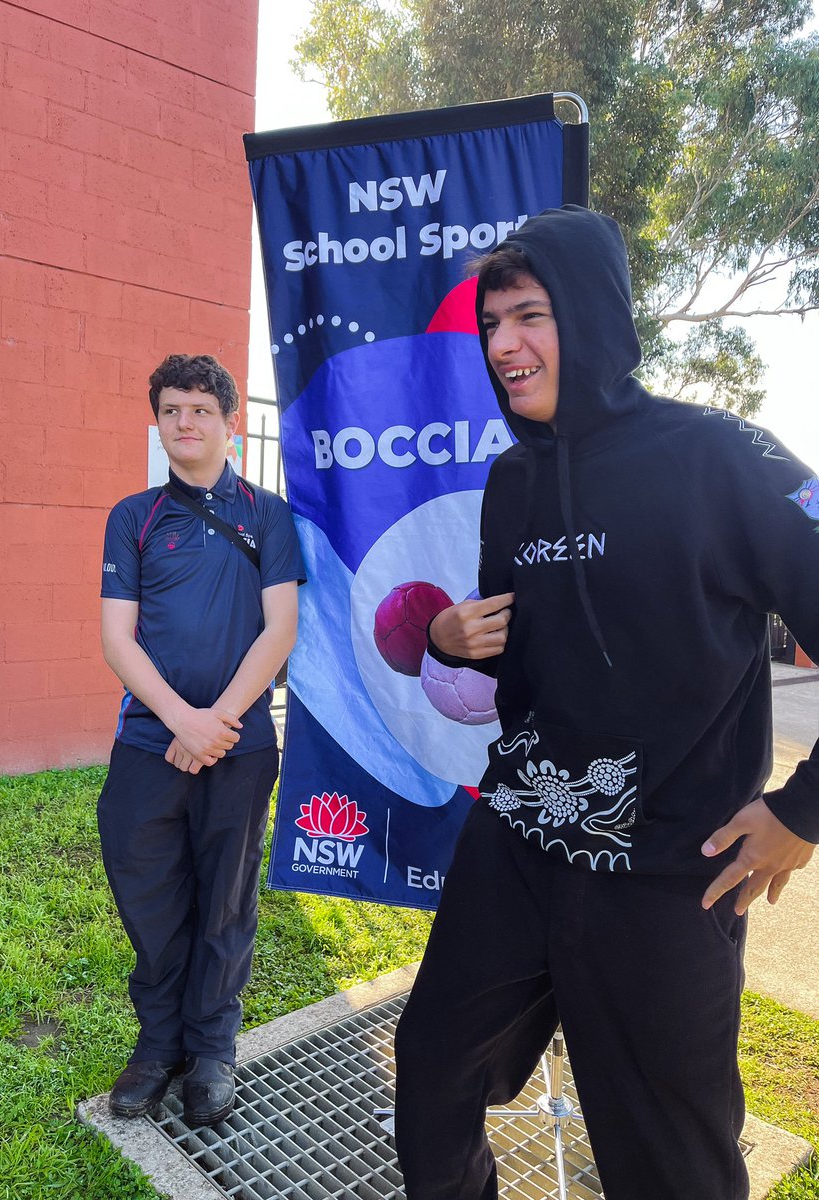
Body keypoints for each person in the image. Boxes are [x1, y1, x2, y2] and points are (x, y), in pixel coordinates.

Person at [393, 206, 819, 1200]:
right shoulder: (512, 481)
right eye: (491, 324)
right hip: (520, 843)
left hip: (674, 873)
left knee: (670, 1158)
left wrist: (802, 815)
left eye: (529, 315)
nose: (504, 345)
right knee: (433, 1075)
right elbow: (527, 664)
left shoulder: (720, 456)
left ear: (591, 314)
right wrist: (446, 639)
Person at [97, 353, 304, 1127]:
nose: (186, 423)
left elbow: (280, 627)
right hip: (149, 743)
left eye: (200, 410)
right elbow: (118, 639)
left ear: (231, 423)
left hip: (240, 746)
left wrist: (215, 722)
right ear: (159, 422)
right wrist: (180, 722)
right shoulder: (134, 516)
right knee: (147, 894)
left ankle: (213, 1049)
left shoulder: (267, 514)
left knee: (225, 899)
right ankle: (159, 1047)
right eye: (172, 410)